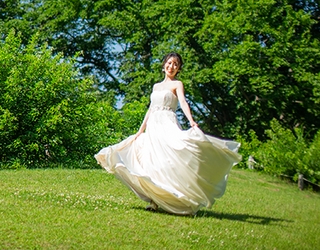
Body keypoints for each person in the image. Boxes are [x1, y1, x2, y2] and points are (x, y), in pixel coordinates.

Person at [95, 52, 241, 215]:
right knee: (151, 160)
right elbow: (150, 108)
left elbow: (183, 102)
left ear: (178, 69)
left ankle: (180, 196)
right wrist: (140, 130)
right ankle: (153, 201)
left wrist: (191, 120)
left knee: (169, 159)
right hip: (153, 125)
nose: (172, 67)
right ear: (164, 65)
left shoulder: (177, 84)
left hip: (167, 123)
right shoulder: (156, 86)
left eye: (176, 65)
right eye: (169, 63)